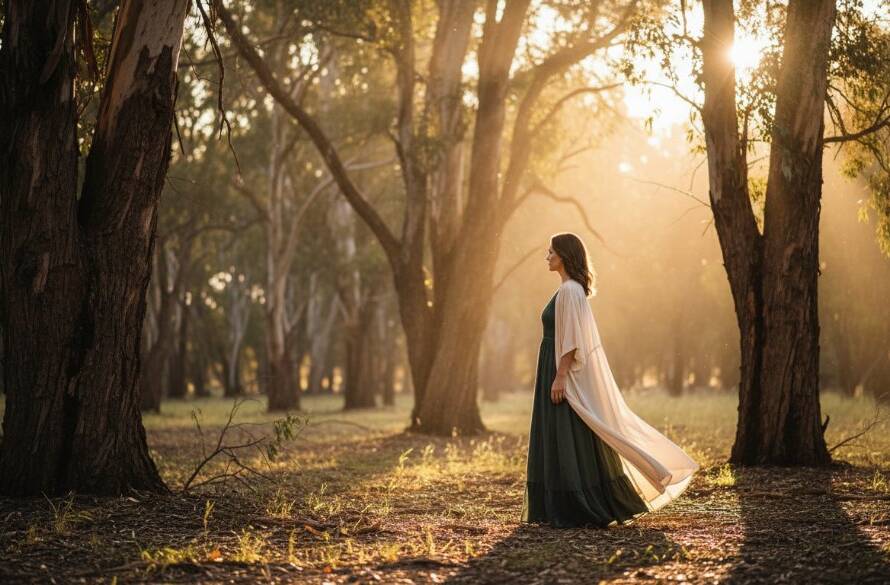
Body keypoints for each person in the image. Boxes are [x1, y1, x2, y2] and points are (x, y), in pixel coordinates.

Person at [522, 232, 699, 528]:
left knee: (567, 435)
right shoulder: (570, 289)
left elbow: (572, 340)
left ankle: (575, 506)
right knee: (568, 434)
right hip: (552, 367)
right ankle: (565, 505)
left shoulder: (569, 291)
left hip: (558, 371)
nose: (547, 256)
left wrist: (560, 377)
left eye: (551, 251)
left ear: (564, 255)